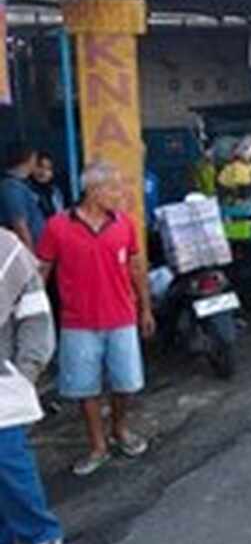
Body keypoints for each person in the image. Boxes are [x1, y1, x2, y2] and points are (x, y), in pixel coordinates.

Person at [36, 161, 155, 477]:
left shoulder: (124, 224)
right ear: (93, 190)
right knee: (85, 389)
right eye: (114, 187)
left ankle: (120, 428)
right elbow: (42, 272)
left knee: (126, 383)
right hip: (78, 323)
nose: (120, 194)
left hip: (121, 318)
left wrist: (145, 308)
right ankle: (97, 445)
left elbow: (136, 268)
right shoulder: (57, 227)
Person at [0, 228, 65, 544]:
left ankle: (43, 538)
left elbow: (36, 317)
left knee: (10, 469)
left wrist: (25, 373)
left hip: (2, 390)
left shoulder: (7, 249)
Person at [0, 145, 46, 253]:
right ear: (30, 159)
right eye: (35, 158)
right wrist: (31, 258)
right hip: (27, 255)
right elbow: (20, 226)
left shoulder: (23, 185)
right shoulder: (11, 187)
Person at [29, 153, 65, 221]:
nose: (43, 172)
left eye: (48, 169)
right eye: (40, 166)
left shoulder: (56, 192)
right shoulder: (26, 190)